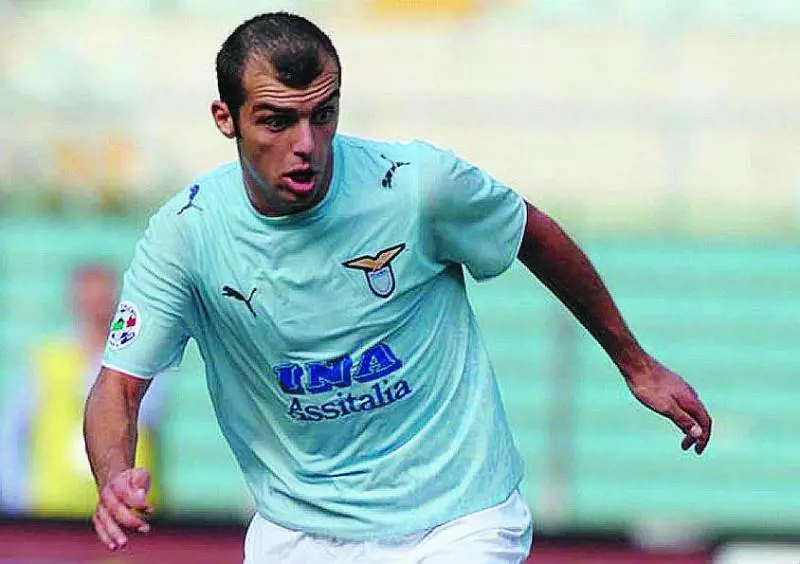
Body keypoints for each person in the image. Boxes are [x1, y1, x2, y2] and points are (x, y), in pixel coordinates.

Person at [83, 11, 712, 563]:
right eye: (277, 121)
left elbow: (534, 235)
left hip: (457, 517)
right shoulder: (188, 233)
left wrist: (637, 365)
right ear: (226, 119)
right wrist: (113, 476)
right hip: (298, 530)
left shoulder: (416, 186)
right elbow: (118, 387)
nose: (306, 145)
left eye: (323, 116)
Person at [0, 264, 163, 517]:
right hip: (55, 512)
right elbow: (11, 430)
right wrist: (18, 499)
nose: (96, 309)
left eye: (102, 299)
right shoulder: (47, 360)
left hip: (125, 513)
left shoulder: (142, 361)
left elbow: (149, 416)